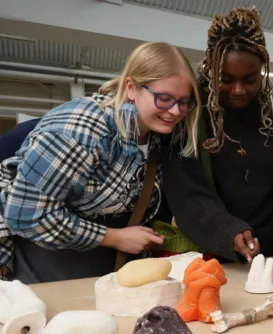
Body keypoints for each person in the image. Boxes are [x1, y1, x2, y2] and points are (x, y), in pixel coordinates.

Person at [0, 41, 201, 284]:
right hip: (41, 249)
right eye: (164, 98)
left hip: (95, 253)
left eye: (184, 102)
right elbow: (25, 214)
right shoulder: (81, 129)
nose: (175, 111)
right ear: (131, 87)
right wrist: (114, 237)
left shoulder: (159, 137)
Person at [160, 7, 273, 264]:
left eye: (250, 79)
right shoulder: (192, 109)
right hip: (208, 249)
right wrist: (227, 230)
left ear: (262, 71)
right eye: (225, 79)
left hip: (269, 251)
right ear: (211, 69)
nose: (238, 91)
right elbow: (186, 188)